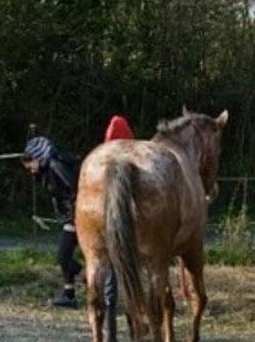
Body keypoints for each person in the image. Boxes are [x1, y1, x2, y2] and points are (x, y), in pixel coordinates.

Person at [21, 135, 81, 309]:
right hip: (67, 217)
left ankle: (90, 278)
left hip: (74, 216)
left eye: (31, 165)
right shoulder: (48, 168)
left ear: (39, 157)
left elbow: (74, 189)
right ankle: (69, 295)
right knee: (65, 257)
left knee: (63, 256)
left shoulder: (56, 166)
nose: (31, 170)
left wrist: (73, 217)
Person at [101, 114, 135, 341]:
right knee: (134, 280)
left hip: (109, 233)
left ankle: (109, 332)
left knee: (110, 282)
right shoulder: (136, 166)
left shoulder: (102, 167)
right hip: (134, 234)